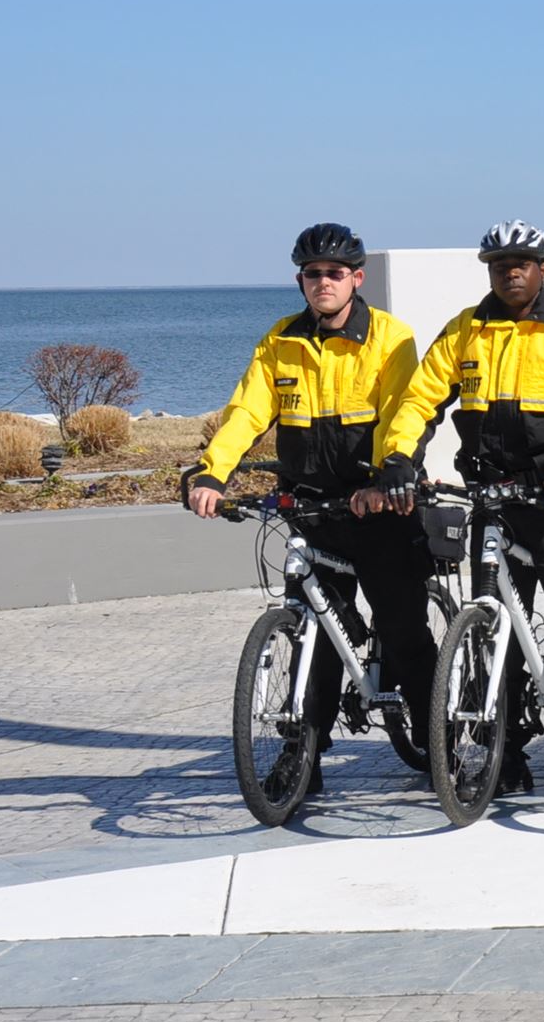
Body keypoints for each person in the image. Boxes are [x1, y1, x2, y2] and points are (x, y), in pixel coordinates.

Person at [186, 223, 434, 797]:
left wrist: (389, 474)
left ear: (356, 279)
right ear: (300, 279)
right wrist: (213, 472)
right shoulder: (282, 341)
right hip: (314, 511)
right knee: (312, 637)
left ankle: (435, 737)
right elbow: (247, 412)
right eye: (312, 273)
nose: (323, 282)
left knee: (403, 629)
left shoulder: (390, 338)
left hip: (378, 509)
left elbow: (404, 413)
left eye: (335, 273)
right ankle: (304, 760)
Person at [374, 221, 544, 801]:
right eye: (500, 263)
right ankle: (505, 752)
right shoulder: (466, 329)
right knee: (490, 627)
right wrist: (398, 458)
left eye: (523, 263)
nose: (511, 271)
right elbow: (420, 399)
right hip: (490, 498)